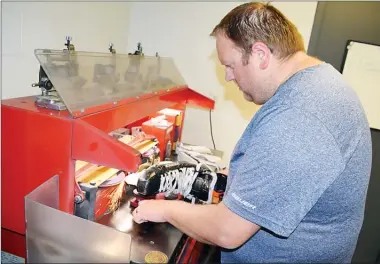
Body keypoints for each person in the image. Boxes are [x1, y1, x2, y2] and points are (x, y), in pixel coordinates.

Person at [132, 2, 372, 263]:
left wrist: (164, 209)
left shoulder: (300, 114)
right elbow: (274, 172)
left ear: (260, 54)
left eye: (230, 65)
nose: (228, 77)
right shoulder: (318, 85)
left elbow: (227, 230)